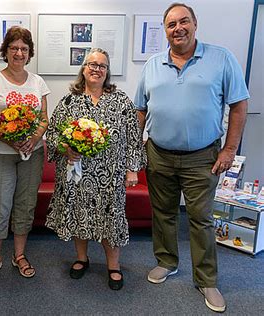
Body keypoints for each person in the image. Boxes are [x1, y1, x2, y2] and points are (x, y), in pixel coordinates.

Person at [134, 3, 249, 312]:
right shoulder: (153, 64)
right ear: (165, 31)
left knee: (201, 220)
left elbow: (239, 105)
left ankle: (206, 279)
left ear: (195, 24)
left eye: (184, 21)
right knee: (164, 214)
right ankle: (167, 261)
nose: (178, 28)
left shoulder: (221, 58)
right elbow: (140, 110)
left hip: (203, 157)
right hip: (159, 154)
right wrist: (135, 148)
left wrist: (229, 149)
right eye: (171, 24)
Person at [45, 48, 146, 290]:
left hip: (110, 175)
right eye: (91, 64)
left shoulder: (121, 101)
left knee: (111, 219)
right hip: (77, 173)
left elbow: (134, 136)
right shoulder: (69, 100)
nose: (96, 69)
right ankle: (82, 259)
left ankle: (113, 266)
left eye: (102, 65)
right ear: (83, 69)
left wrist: (132, 169)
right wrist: (66, 149)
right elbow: (53, 134)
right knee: (79, 215)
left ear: (107, 71)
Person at [0, 26, 49, 281]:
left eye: (24, 49)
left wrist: (34, 138)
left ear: (29, 54)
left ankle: (19, 255)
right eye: (14, 48)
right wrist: (8, 138)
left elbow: (43, 119)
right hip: (0, 153)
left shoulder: (37, 81)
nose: (19, 53)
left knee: (25, 205)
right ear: (5, 51)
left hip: (32, 153)